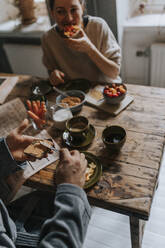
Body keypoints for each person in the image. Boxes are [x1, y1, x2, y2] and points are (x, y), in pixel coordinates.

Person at [0, 119, 91, 247]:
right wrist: (71, 189)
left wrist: (4, 154)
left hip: (7, 219)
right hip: (16, 239)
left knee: (48, 195)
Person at [41, 0, 121, 86]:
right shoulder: (48, 38)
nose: (69, 18)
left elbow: (114, 73)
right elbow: (51, 71)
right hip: (72, 92)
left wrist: (90, 48)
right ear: (52, 13)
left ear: (82, 8)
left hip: (106, 89)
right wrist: (54, 75)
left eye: (73, 10)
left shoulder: (98, 26)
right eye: (60, 11)